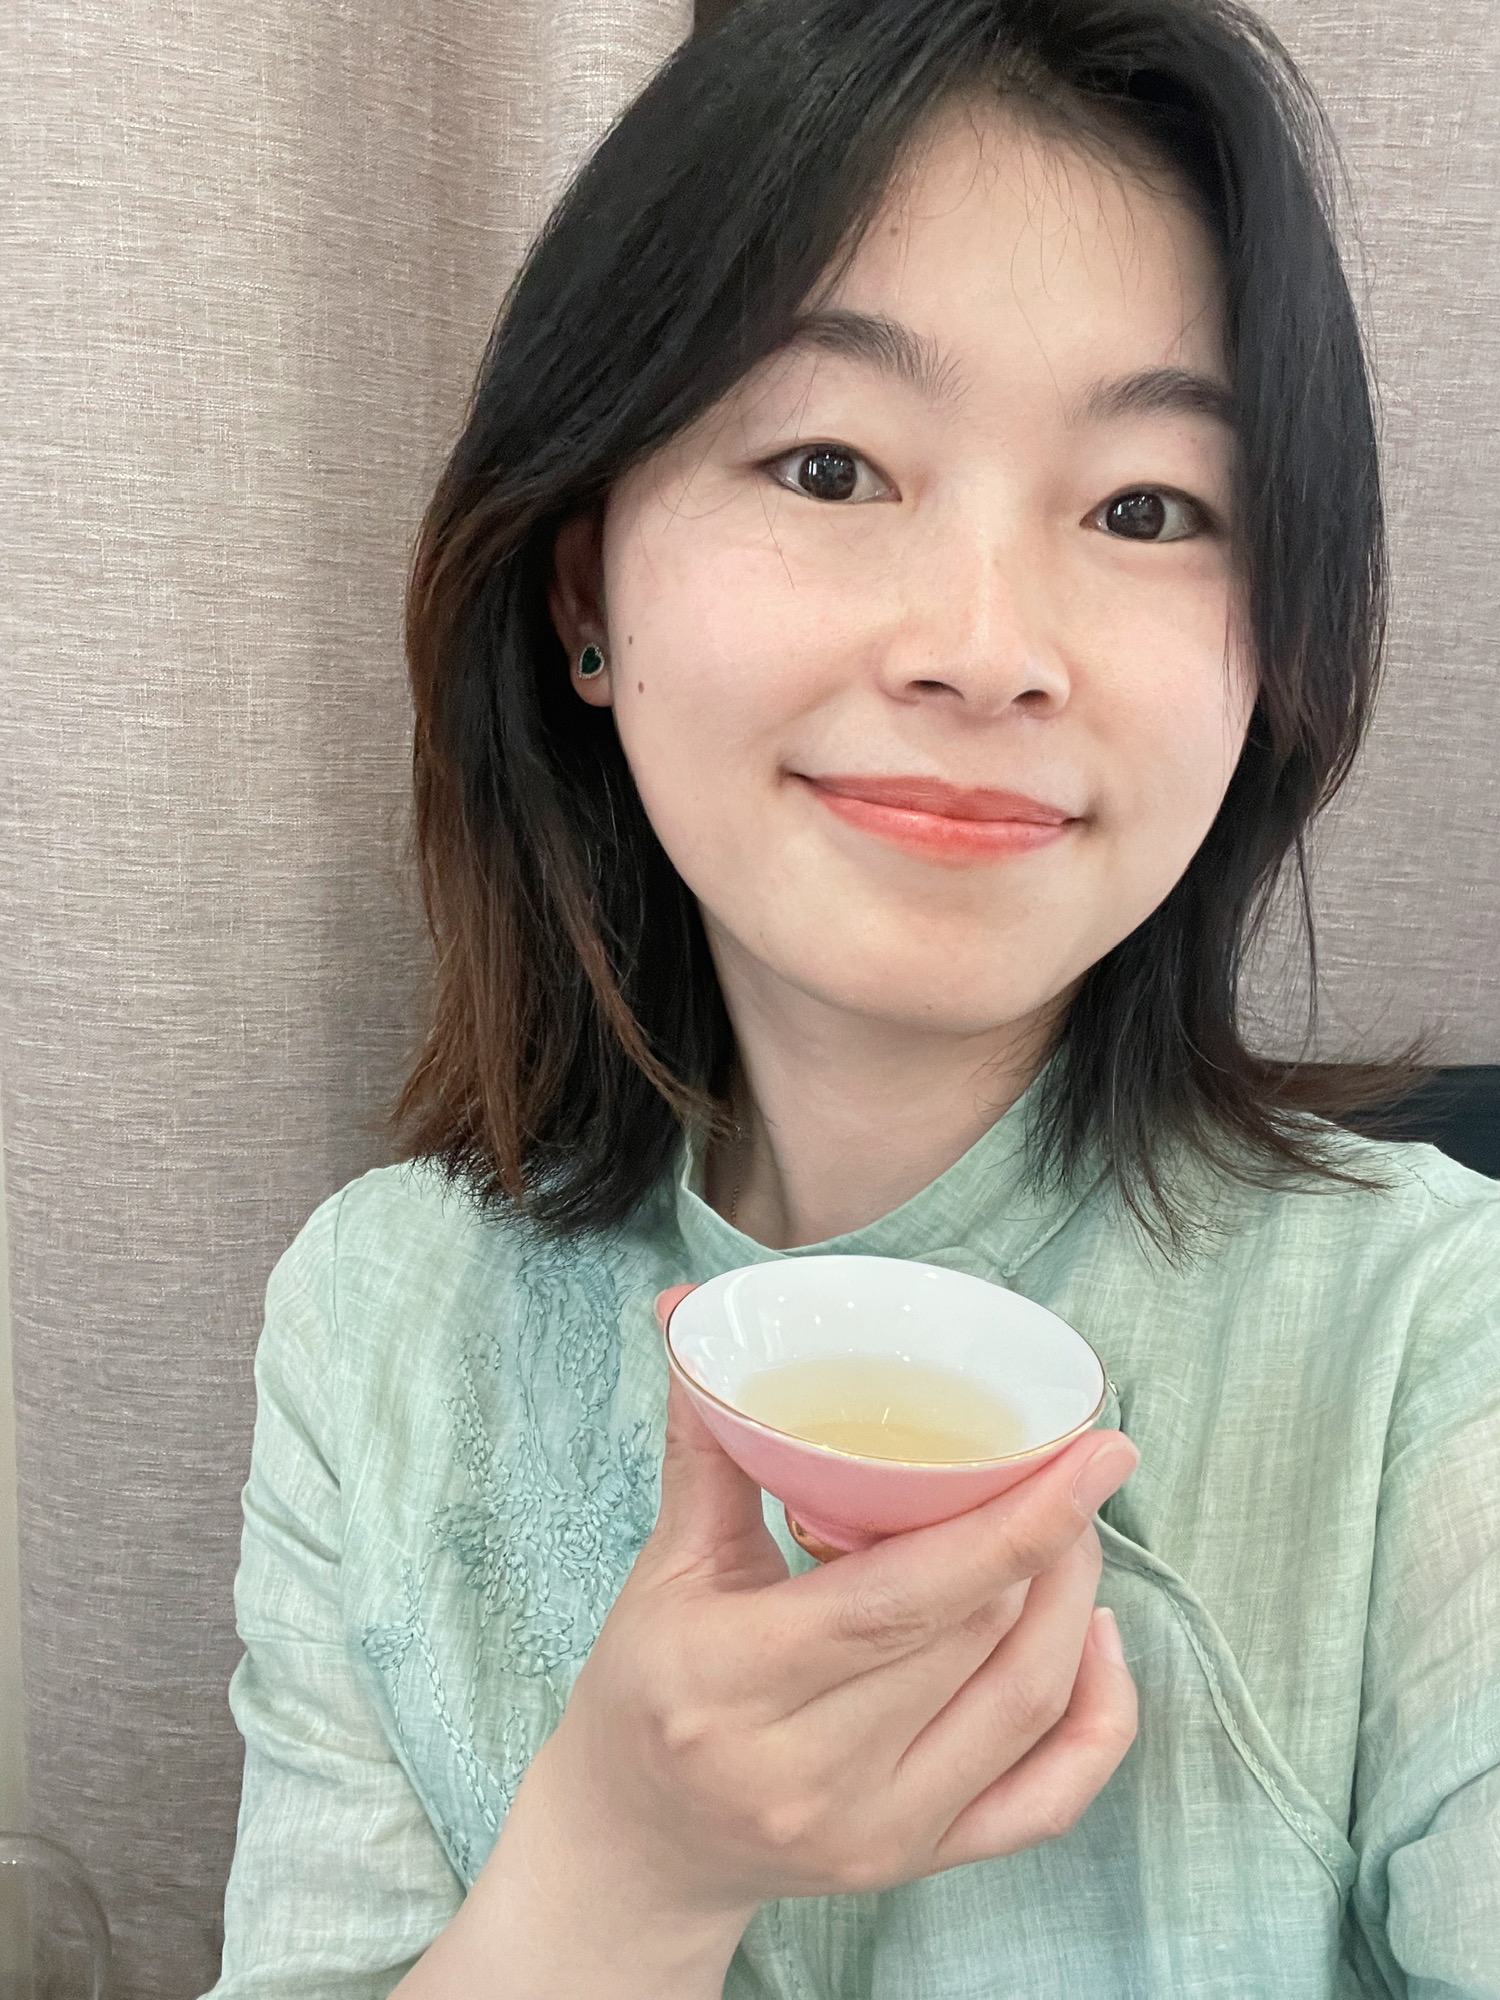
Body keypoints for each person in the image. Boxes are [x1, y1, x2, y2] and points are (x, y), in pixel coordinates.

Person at [203, 1, 1500, 1995]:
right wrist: (624, 1870)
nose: (987, 649)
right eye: (830, 464)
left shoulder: (1435, 1341)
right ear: (585, 593)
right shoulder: (380, 1325)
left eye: (1148, 508)